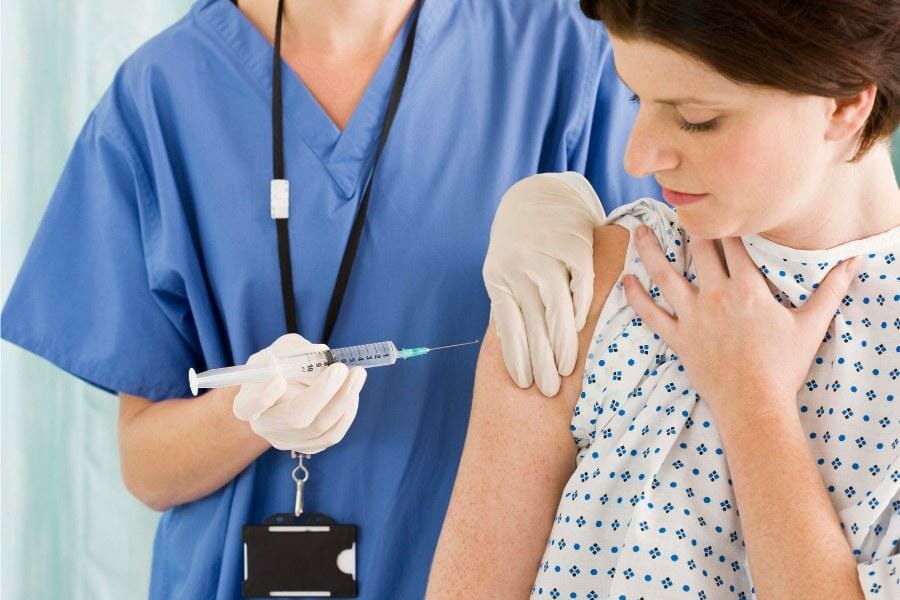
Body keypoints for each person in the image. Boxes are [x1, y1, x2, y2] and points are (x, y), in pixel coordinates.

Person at [0, 0, 660, 597]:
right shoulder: (162, 93)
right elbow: (147, 468)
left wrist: (573, 208)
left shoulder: (568, 54)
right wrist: (247, 415)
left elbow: (669, 357)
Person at [428, 0, 900, 598]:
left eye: (697, 118)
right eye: (635, 98)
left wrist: (752, 404)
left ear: (844, 103)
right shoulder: (592, 282)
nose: (638, 158)